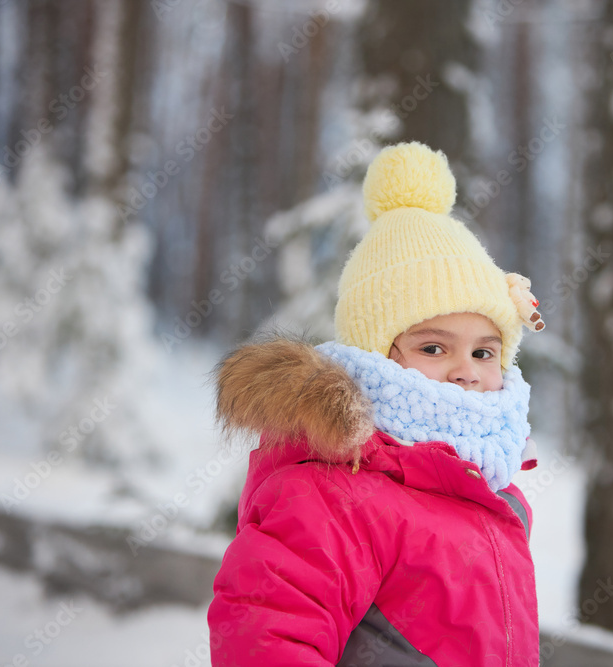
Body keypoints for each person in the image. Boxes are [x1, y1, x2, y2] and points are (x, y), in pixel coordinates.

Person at [207, 141, 545, 666]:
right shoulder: (332, 491)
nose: (466, 370)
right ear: (376, 353)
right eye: (433, 348)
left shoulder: (497, 495)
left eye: (484, 351)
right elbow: (268, 636)